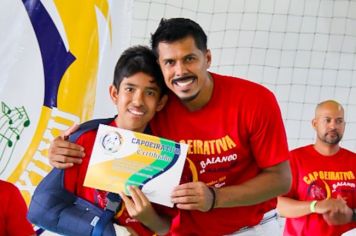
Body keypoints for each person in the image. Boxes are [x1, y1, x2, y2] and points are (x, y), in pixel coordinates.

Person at [48, 18, 291, 235]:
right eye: (170, 62)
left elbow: (281, 180)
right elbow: (117, 126)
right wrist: (65, 146)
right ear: (160, 64)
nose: (180, 71)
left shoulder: (255, 101)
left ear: (207, 58)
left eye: (189, 59)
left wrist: (215, 198)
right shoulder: (156, 105)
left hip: (251, 228)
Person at [28, 45, 172, 236]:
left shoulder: (168, 156)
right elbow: (41, 209)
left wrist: (150, 218)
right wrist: (111, 232)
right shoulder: (87, 139)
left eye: (150, 92)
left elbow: (170, 229)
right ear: (114, 94)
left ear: (161, 102)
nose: (138, 101)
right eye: (130, 89)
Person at [277, 100, 356, 236]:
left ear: (344, 125)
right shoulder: (294, 159)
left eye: (339, 121)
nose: (333, 126)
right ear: (315, 124)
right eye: (327, 120)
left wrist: (352, 216)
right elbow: (277, 206)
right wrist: (315, 206)